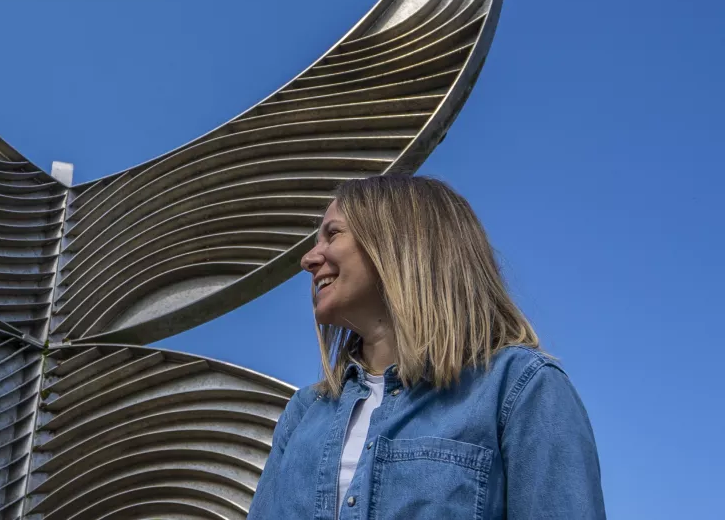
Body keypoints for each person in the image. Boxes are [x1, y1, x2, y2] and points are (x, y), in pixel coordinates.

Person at [249, 175, 605, 519]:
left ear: (398, 243)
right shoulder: (306, 412)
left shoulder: (519, 388)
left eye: (333, 234)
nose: (308, 259)